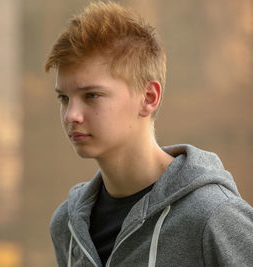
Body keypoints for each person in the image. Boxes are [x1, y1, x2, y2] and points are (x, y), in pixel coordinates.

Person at [44, 1, 253, 266]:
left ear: (148, 97)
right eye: (64, 98)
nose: (71, 114)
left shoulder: (213, 215)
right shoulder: (67, 225)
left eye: (91, 95)